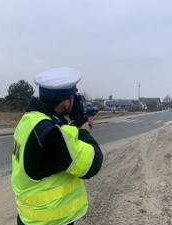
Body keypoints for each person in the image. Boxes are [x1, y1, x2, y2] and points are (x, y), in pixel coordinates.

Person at [11, 67, 103, 225]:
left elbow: (56, 151)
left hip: (29, 216)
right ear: (66, 104)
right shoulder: (52, 135)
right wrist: (84, 133)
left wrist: (75, 128)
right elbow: (92, 164)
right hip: (49, 219)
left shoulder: (30, 119)